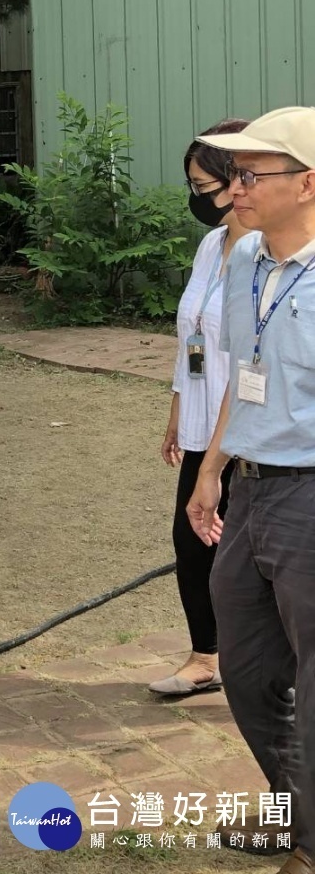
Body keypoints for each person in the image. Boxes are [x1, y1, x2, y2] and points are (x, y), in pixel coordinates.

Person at [188, 106, 315, 874]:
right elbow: (243, 371)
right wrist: (211, 467)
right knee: (246, 663)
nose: (231, 191)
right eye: (232, 176)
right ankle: (297, 805)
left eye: (249, 175)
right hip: (250, 486)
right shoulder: (244, 262)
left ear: (309, 184)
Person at [150, 119, 251, 697]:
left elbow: (249, 366)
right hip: (200, 423)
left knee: (246, 555)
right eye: (190, 185)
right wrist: (178, 409)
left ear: (237, 181)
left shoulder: (264, 254)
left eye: (203, 185)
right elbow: (193, 339)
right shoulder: (211, 246)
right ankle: (205, 657)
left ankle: (258, 666)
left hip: (241, 429)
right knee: (191, 542)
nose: (197, 198)